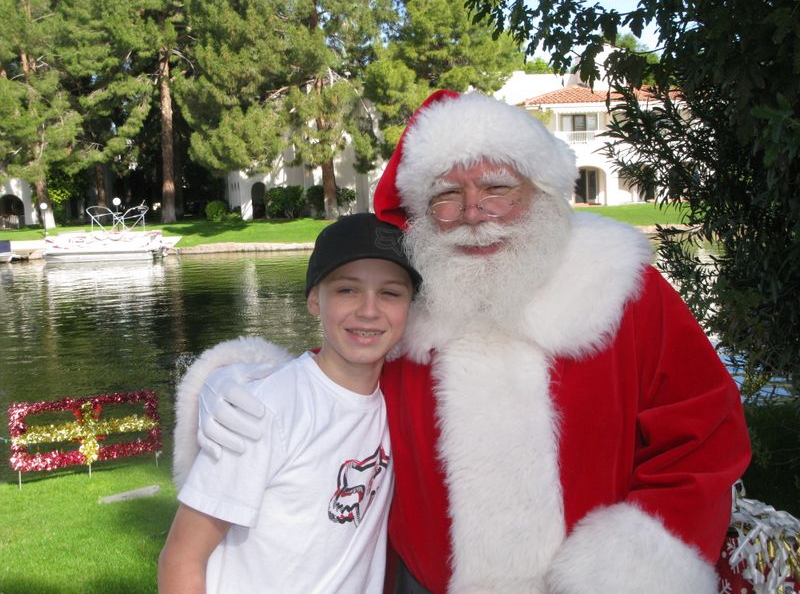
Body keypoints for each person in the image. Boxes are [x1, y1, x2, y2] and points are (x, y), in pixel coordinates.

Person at [173, 90, 751, 594]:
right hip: (422, 581)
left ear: (542, 191)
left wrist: (636, 563)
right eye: (447, 196)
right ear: (421, 213)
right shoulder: (411, 296)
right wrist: (236, 379)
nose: (475, 212)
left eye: (498, 187)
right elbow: (336, 387)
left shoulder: (618, 284)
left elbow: (703, 431)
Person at [159, 213, 422, 593]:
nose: (368, 310)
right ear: (315, 299)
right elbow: (182, 558)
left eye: (390, 293)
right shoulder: (259, 410)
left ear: (410, 307)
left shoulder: (392, 408)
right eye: (347, 290)